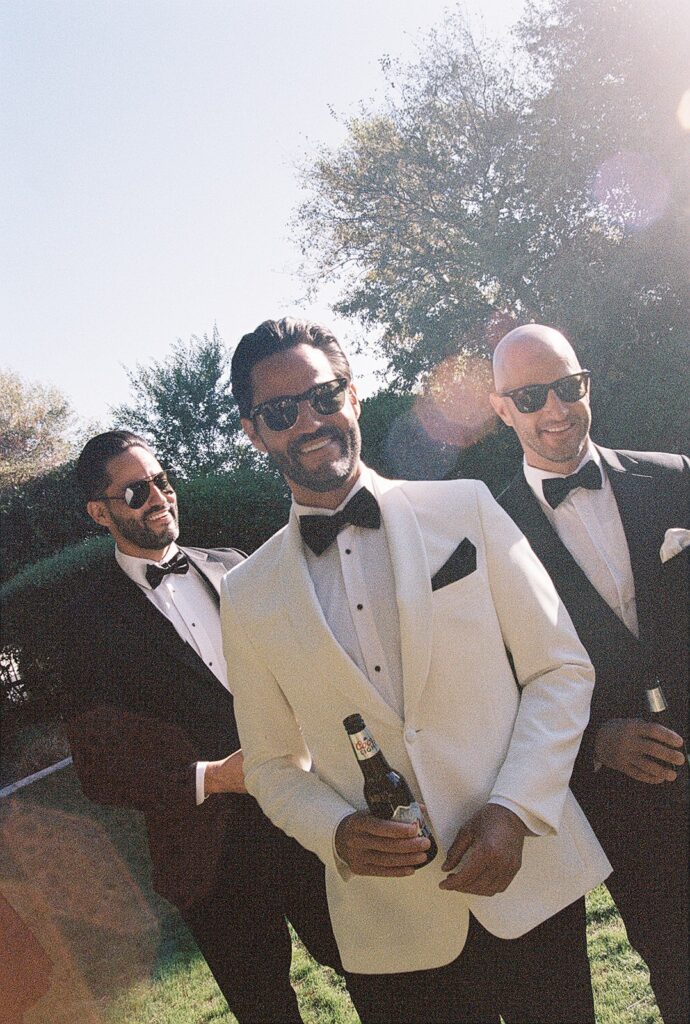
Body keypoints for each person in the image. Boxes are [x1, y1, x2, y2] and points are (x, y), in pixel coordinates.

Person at [220, 317, 611, 1024]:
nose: (310, 421)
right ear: (255, 432)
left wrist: (516, 810)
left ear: (354, 395)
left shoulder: (466, 509)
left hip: (529, 886)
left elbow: (560, 668)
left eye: (323, 396)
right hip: (392, 932)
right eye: (281, 413)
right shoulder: (246, 595)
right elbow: (272, 765)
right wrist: (335, 832)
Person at [59, 430, 342, 1024]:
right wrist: (211, 777)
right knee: (266, 1010)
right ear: (99, 511)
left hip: (309, 811)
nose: (159, 497)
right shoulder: (85, 625)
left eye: (162, 481)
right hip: (210, 856)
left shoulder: (234, 567)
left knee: (376, 969)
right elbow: (100, 769)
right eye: (137, 490)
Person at [491, 324, 689, 1024]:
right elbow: (499, 683)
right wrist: (595, 743)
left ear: (586, 385)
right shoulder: (490, 534)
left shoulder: (674, 478)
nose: (555, 410)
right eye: (531, 395)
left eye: (567, 387)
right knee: (676, 964)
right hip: (625, 803)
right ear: (501, 408)